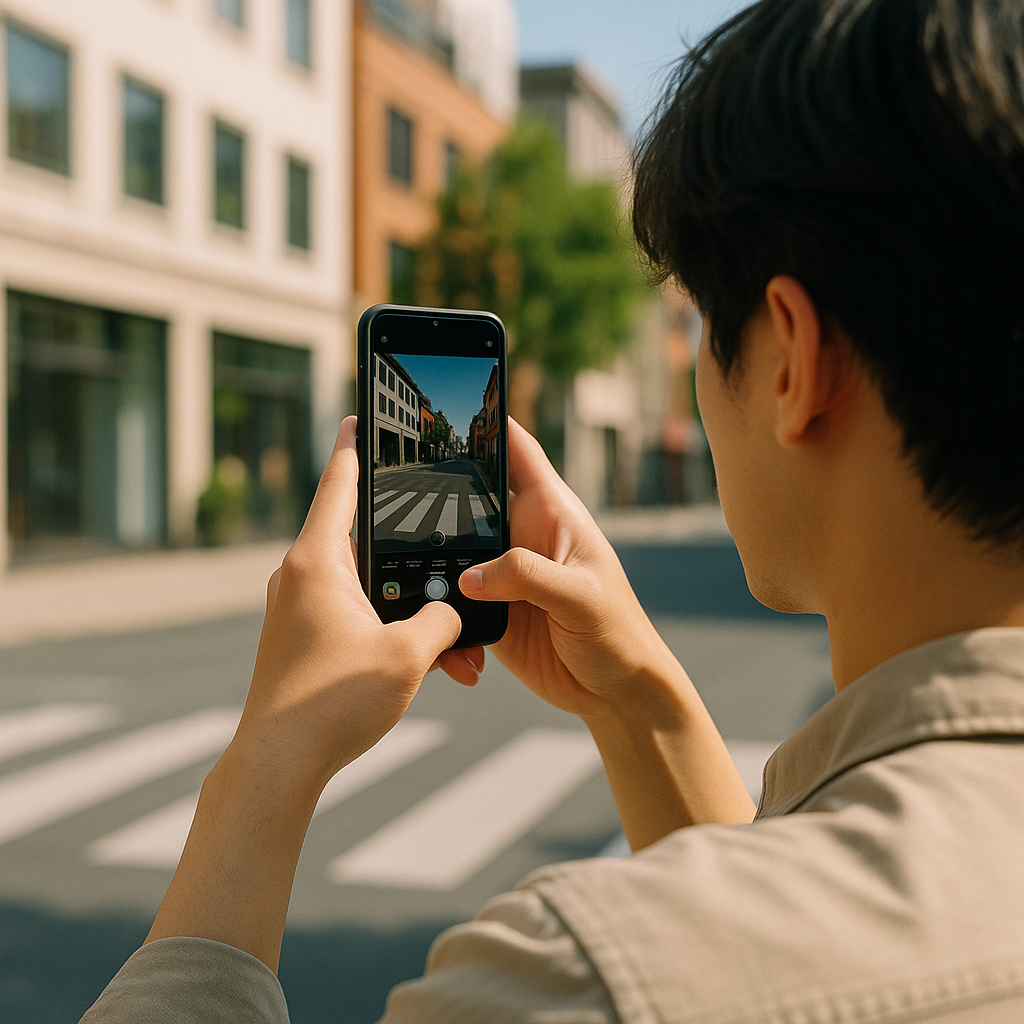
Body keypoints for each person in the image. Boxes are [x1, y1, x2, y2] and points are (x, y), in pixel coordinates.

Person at [82, 0, 1024, 1020]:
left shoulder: (578, 977)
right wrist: (635, 701)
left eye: (705, 320)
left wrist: (274, 748)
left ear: (790, 361)